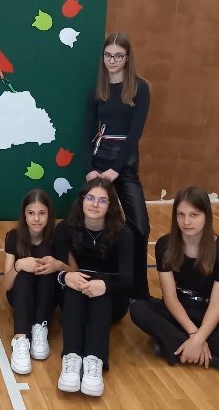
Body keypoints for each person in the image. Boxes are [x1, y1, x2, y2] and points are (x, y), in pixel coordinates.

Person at [130, 186, 219, 376]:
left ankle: (169, 345)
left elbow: (216, 305)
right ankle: (214, 358)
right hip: (177, 313)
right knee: (139, 309)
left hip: (206, 314)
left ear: (206, 215)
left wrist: (200, 337)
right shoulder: (164, 245)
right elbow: (170, 296)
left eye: (194, 215)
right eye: (181, 214)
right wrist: (193, 334)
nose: (186, 221)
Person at [84, 31, 150, 300]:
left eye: (118, 56)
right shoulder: (97, 90)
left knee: (140, 228)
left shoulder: (139, 88)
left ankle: (137, 291)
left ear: (127, 58)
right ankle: (100, 280)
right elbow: (87, 132)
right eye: (108, 55)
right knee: (95, 223)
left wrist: (117, 170)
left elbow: (135, 134)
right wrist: (89, 169)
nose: (112, 60)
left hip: (124, 165)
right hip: (98, 164)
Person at [54, 178, 133, 396]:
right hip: (75, 301)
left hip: (111, 304)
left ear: (110, 205)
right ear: (82, 200)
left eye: (102, 200)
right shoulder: (65, 228)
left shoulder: (123, 234)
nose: (95, 204)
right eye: (90, 198)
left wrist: (105, 286)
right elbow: (55, 270)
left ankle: (94, 360)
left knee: (99, 280)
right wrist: (65, 277)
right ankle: (71, 358)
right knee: (75, 280)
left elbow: (128, 282)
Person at [4, 189, 73, 375]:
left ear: (49, 215)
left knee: (43, 254)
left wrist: (58, 265)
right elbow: (6, 285)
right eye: (31, 213)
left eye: (42, 213)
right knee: (24, 272)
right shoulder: (13, 236)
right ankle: (20, 337)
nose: (36, 219)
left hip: (48, 296)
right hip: (20, 297)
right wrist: (19, 265)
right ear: (24, 215)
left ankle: (39, 327)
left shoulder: (56, 237)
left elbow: (74, 271)